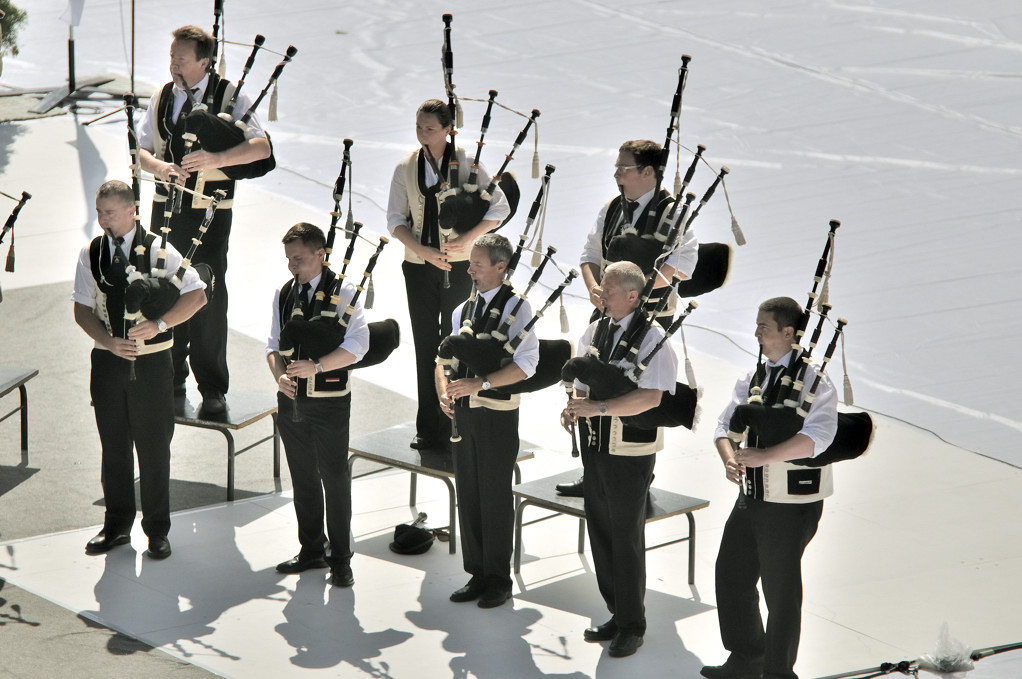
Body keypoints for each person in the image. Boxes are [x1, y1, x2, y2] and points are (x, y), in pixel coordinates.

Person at [701, 297, 838, 679]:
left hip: (792, 505)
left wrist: (765, 456)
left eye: (764, 326)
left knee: (781, 592)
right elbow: (724, 426)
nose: (756, 332)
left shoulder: (815, 381)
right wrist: (729, 457)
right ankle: (747, 658)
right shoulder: (753, 377)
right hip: (752, 498)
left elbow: (818, 438)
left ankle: (778, 672)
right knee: (731, 575)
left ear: (788, 332)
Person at [138, 24, 272, 414]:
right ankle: (170, 374)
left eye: (181, 59)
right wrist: (161, 167)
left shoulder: (230, 96)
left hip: (210, 211)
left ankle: (212, 386)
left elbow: (261, 148)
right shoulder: (163, 96)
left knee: (207, 293)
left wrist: (217, 159)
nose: (173, 65)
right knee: (165, 288)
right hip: (166, 207)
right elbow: (141, 149)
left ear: (204, 62)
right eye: (171, 57)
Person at [72, 180, 207, 559]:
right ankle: (116, 525)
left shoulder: (160, 250)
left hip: (151, 364)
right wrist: (109, 341)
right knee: (113, 447)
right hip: (108, 361)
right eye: (99, 213)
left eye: (110, 213)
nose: (104, 220)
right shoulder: (92, 252)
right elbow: (82, 309)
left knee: (153, 449)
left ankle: (157, 531)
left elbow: (197, 295)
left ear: (132, 211)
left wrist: (160, 324)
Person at [557, 139, 698, 498]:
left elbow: (684, 264)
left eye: (624, 168)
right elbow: (591, 253)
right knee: (594, 381)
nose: (617, 174)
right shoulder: (612, 208)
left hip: (649, 316)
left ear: (648, 172)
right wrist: (595, 288)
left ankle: (639, 474)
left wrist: (638, 290)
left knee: (640, 392)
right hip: (609, 307)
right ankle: (592, 468)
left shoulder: (674, 213)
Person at [560, 261, 678, 658]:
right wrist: (574, 405)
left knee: (626, 537)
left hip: (630, 451)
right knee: (601, 531)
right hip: (595, 446)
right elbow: (579, 382)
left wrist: (600, 408)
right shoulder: (595, 330)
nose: (600, 295)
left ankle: (632, 624)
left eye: (607, 290)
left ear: (631, 295)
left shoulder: (654, 338)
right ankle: (617, 612)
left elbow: (652, 397)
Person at [387, 98, 510, 451]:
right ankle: (428, 426)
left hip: (460, 269)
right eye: (418, 127)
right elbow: (395, 219)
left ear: (448, 129)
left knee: (455, 344)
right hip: (418, 267)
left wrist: (469, 239)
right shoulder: (405, 167)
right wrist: (423, 250)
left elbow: (500, 207)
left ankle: (458, 422)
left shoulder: (467, 163)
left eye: (430, 128)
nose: (423, 134)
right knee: (425, 345)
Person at [435, 233, 538, 608]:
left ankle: (498, 579)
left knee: (494, 497)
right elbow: (443, 360)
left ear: (501, 266)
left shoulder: (518, 308)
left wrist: (481, 383)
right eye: (470, 263)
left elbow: (527, 365)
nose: (470, 270)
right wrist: (443, 391)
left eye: (477, 264)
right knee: (469, 495)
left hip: (497, 415)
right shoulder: (463, 309)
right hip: (464, 414)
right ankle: (477, 573)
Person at [266, 223, 369, 588]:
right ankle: (311, 548)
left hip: (330, 402)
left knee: (335, 479)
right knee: (303, 477)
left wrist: (319, 366)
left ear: (320, 254)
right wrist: (279, 376)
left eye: (298, 258)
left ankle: (341, 558)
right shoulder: (284, 293)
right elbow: (272, 346)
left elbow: (359, 345)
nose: (292, 266)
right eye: (288, 259)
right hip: (292, 401)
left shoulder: (345, 291)